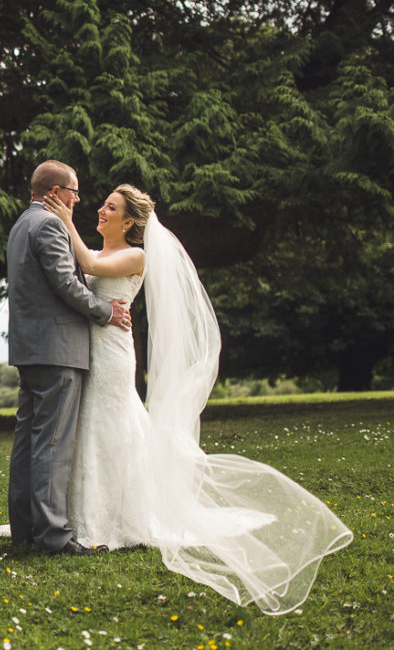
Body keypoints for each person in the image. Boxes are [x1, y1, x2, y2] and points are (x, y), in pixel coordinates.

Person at [36, 183, 353, 615]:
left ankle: (109, 517)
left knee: (109, 423)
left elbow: (88, 264)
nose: (101, 210)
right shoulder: (96, 248)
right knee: (93, 424)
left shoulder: (135, 256)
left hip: (112, 354)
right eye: (103, 205)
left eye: (111, 207)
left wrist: (65, 220)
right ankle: (77, 513)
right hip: (92, 350)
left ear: (129, 221)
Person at [4, 160, 132, 556]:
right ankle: (53, 538)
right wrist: (106, 311)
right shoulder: (50, 225)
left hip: (31, 348)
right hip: (57, 349)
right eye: (74, 191)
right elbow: (65, 282)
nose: (79, 199)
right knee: (52, 445)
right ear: (56, 192)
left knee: (28, 441)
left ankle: (26, 529)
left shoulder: (22, 224)